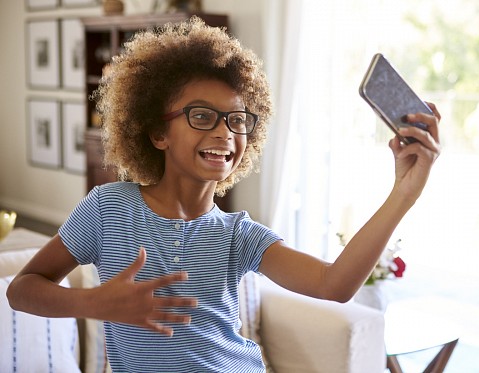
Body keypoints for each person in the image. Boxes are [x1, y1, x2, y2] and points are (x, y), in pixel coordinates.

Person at [7, 17, 441, 372]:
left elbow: (334, 285)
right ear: (157, 131)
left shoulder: (238, 234)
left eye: (237, 119)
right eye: (201, 116)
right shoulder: (107, 209)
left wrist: (404, 192)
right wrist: (94, 302)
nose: (224, 132)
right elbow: (22, 289)